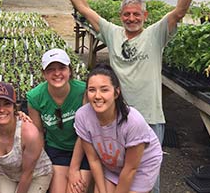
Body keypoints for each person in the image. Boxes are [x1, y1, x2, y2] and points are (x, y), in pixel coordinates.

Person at [53, 0, 210, 193]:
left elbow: (180, 10)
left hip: (149, 118)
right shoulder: (112, 33)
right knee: (117, 174)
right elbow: (83, 8)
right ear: (121, 17)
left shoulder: (155, 34)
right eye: (127, 14)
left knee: (148, 181)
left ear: (145, 15)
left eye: (136, 14)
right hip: (117, 119)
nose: (131, 18)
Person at [69, 64, 162, 193]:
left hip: (140, 167)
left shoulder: (133, 121)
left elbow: (130, 169)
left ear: (116, 92)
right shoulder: (82, 116)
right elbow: (94, 160)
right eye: (92, 90)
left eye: (104, 90)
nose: (97, 96)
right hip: (114, 164)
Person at [27, 48, 92, 193]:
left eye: (62, 68)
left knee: (76, 190)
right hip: (57, 150)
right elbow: (38, 134)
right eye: (51, 69)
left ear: (69, 70)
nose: (57, 73)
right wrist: (39, 165)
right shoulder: (35, 97)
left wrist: (74, 169)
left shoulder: (83, 92)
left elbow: (85, 133)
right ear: (44, 73)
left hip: (83, 149)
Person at [0, 82, 54, 193]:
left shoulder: (29, 133)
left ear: (14, 107)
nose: (1, 109)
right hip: (4, 173)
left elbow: (27, 173)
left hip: (35, 174)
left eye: (7, 104)